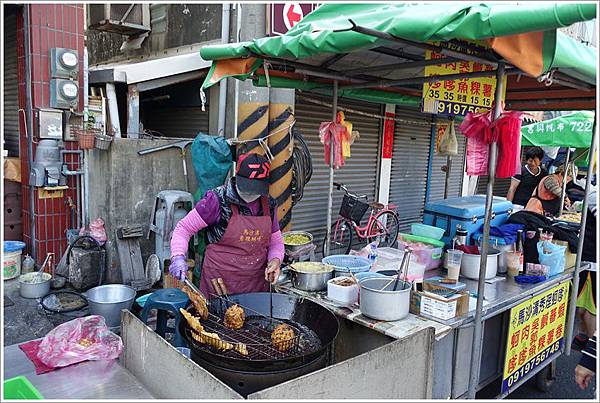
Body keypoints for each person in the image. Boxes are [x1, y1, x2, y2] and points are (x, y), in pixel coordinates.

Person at [168, 153, 284, 297]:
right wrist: (178, 256)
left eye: (256, 189)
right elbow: (183, 229)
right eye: (247, 187)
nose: (251, 193)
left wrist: (275, 260)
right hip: (219, 283)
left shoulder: (269, 205)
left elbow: (276, 242)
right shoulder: (216, 200)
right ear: (237, 177)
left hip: (256, 285)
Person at [573, 181, 597, 351]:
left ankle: (592, 351)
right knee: (582, 305)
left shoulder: (595, 194)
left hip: (593, 260)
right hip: (588, 256)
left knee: (589, 307)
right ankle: (583, 337)